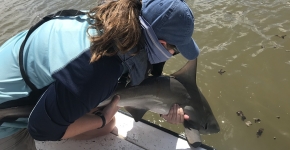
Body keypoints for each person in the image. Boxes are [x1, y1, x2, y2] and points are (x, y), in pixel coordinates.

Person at [0, 0, 199, 148]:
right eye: (177, 50)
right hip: (6, 115)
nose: (173, 55)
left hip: (13, 68)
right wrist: (102, 119)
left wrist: (161, 107)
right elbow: (40, 130)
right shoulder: (100, 67)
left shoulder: (109, 21)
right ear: (162, 44)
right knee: (106, 125)